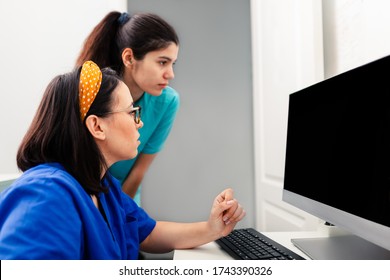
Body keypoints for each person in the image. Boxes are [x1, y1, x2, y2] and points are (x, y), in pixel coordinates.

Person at [0, 61, 245, 259]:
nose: (140, 122)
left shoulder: (104, 187)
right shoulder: (47, 195)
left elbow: (146, 234)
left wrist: (211, 228)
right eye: (131, 112)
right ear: (97, 126)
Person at [75, 11, 180, 206]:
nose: (170, 74)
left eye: (173, 63)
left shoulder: (167, 102)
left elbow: (138, 171)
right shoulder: (90, 96)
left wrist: (119, 216)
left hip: (125, 200)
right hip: (84, 199)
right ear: (129, 58)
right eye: (162, 62)